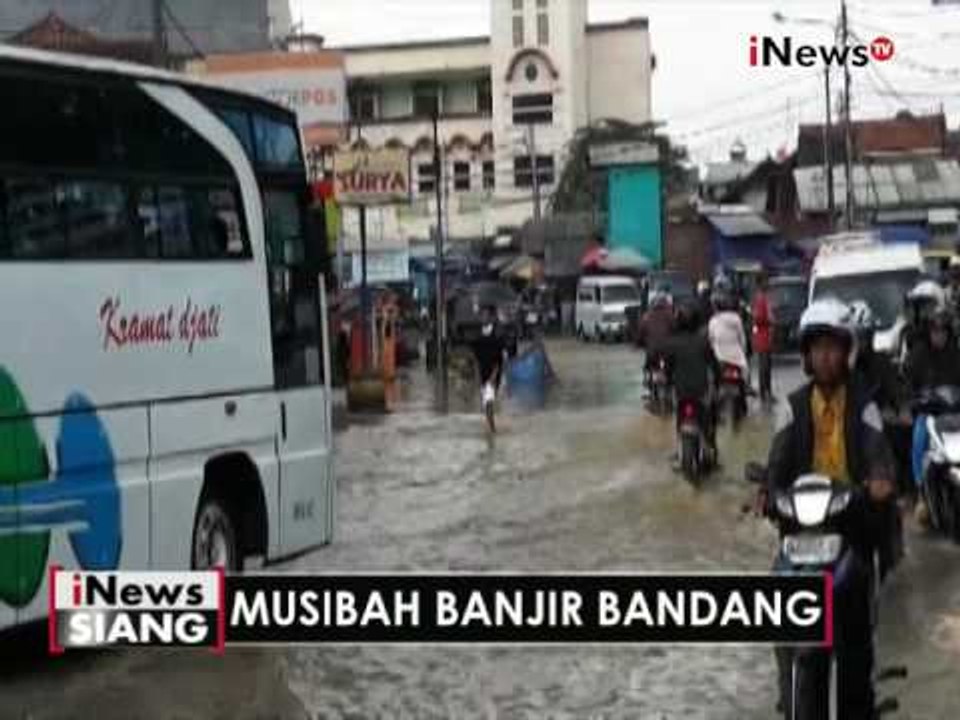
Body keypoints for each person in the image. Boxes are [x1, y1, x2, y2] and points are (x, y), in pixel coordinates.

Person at [765, 297, 897, 719]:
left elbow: (877, 453)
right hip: (802, 530)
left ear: (846, 352)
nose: (825, 356)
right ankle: (788, 689)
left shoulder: (864, 405)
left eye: (833, 347)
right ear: (806, 354)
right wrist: (767, 491)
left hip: (850, 525)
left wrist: (878, 480)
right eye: (817, 347)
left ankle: (861, 702)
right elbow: (777, 462)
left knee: (856, 641)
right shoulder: (792, 406)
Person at [905, 309, 960, 526]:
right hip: (930, 413)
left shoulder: (955, 354)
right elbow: (907, 384)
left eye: (943, 331)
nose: (939, 336)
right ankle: (921, 491)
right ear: (929, 333)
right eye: (935, 331)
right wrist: (917, 398)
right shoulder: (918, 355)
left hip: (954, 412)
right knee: (919, 435)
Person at [662, 300, 718, 464]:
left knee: (679, 416)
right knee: (710, 416)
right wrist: (718, 381)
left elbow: (667, 369)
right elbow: (714, 365)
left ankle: (679, 447)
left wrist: (668, 383)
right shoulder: (703, 342)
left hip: (681, 391)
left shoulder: (671, 343)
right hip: (701, 391)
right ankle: (710, 445)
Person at [707, 290, 750, 421]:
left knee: (714, 383)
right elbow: (742, 339)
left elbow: (711, 340)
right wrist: (743, 352)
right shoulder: (736, 318)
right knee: (744, 382)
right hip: (737, 359)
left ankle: (714, 411)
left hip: (720, 358)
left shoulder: (713, 321)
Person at [471, 305, 509, 433]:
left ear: (491, 318)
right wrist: (476, 375)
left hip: (494, 373)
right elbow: (475, 357)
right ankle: (491, 426)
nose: (484, 318)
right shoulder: (478, 335)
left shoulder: (497, 335)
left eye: (486, 315)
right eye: (482, 315)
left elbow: (500, 358)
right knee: (486, 402)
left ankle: (492, 430)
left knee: (488, 401)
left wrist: (494, 376)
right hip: (483, 372)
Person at [637, 290, 675, 389]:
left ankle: (648, 379)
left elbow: (641, 332)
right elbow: (676, 329)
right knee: (672, 364)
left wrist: (639, 343)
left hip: (652, 350)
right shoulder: (670, 315)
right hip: (668, 349)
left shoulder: (646, 316)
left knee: (649, 363)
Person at [751, 272, 775, 403]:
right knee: (764, 366)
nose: (768, 283)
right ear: (760, 283)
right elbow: (758, 318)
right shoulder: (760, 298)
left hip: (766, 336)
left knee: (767, 365)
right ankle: (764, 393)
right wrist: (769, 321)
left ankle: (767, 392)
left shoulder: (764, 297)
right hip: (762, 337)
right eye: (766, 281)